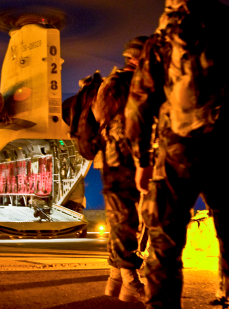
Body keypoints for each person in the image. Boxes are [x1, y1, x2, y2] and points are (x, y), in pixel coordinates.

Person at [125, 1, 229, 308]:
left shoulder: (163, 38)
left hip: (177, 149)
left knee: (165, 247)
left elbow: (139, 105)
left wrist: (142, 161)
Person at [73, 36, 149, 303]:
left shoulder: (120, 84)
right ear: (140, 58)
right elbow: (125, 128)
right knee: (127, 220)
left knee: (122, 219)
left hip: (119, 160)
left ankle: (115, 280)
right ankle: (130, 279)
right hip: (123, 160)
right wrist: (143, 160)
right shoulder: (123, 85)